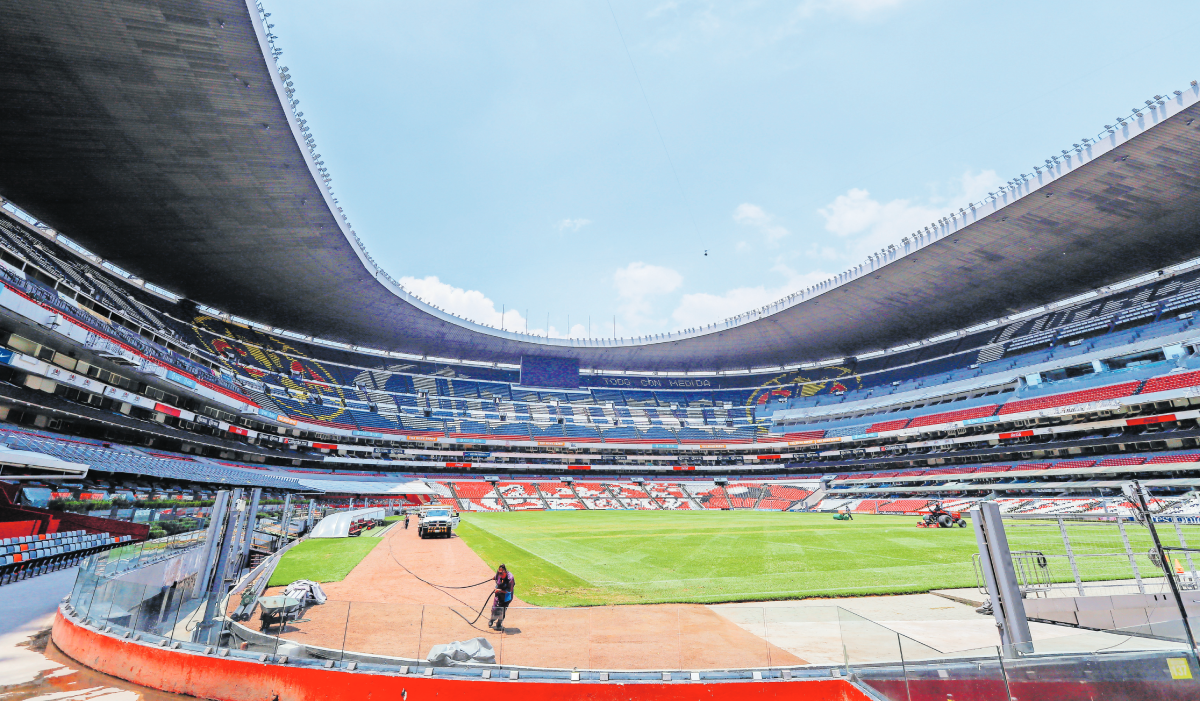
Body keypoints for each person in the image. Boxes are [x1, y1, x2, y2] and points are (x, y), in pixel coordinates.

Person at [489, 564, 515, 631]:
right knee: (495, 608)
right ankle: (492, 619)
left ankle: (499, 624)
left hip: (506, 596)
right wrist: (494, 577)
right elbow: (496, 576)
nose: (500, 575)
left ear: (505, 572)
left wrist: (500, 590)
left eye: (501, 574)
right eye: (499, 573)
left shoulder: (510, 579)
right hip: (498, 595)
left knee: (502, 610)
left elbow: (509, 590)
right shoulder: (499, 574)